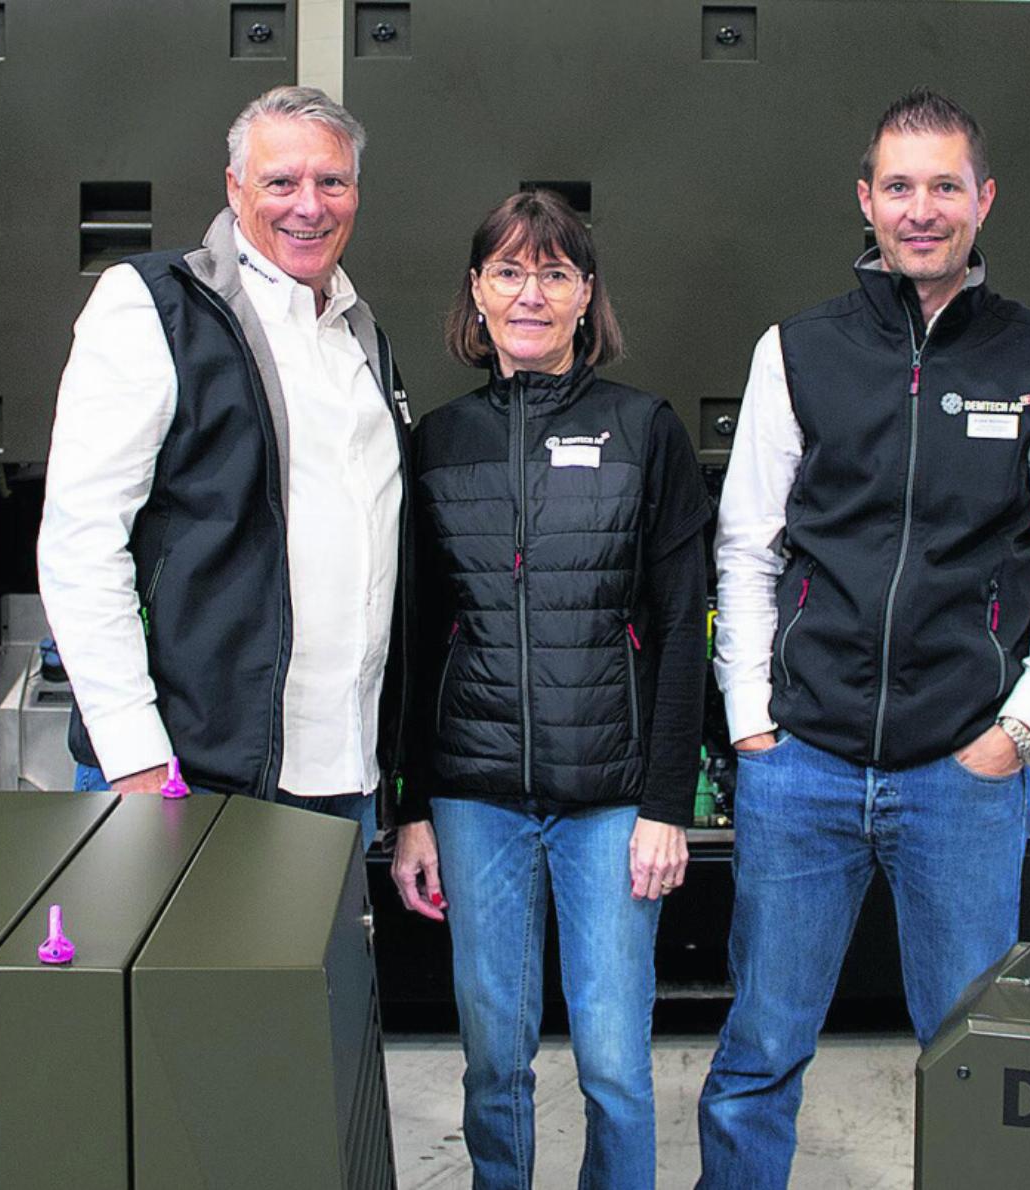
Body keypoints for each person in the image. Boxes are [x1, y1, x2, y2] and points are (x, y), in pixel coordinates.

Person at [698, 88, 1030, 1185]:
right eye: (898, 185)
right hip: (805, 767)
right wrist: (751, 724)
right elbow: (748, 549)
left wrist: (1018, 732)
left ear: (983, 199)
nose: (920, 208)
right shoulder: (798, 350)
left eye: (943, 185)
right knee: (758, 1051)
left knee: (974, 1059)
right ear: (866, 201)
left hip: (961, 777)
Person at [390, 189, 710, 1190]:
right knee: (495, 1060)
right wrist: (412, 809)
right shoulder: (435, 443)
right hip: (475, 797)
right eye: (509, 271)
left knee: (614, 1063)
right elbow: (410, 636)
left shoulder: (643, 429)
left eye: (556, 273)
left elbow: (682, 630)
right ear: (476, 292)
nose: (531, 293)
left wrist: (667, 803)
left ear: (586, 297)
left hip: (611, 802)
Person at [38, 86, 409, 847]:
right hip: (188, 775)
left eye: (331, 182)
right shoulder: (154, 306)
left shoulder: (359, 335)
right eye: (281, 182)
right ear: (235, 188)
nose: (308, 205)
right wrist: (133, 754)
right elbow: (81, 541)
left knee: (326, 973)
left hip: (341, 776)